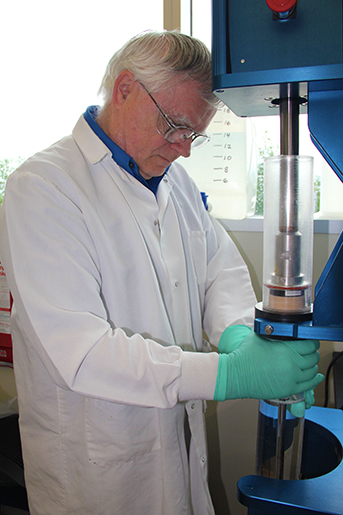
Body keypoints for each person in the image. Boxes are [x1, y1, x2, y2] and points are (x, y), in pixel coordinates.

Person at [0, 31, 323, 515]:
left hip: (178, 445)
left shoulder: (175, 183)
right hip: (97, 470)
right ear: (125, 88)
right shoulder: (44, 187)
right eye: (175, 125)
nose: (185, 149)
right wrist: (228, 375)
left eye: (194, 133)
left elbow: (219, 268)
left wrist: (239, 334)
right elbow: (82, 353)